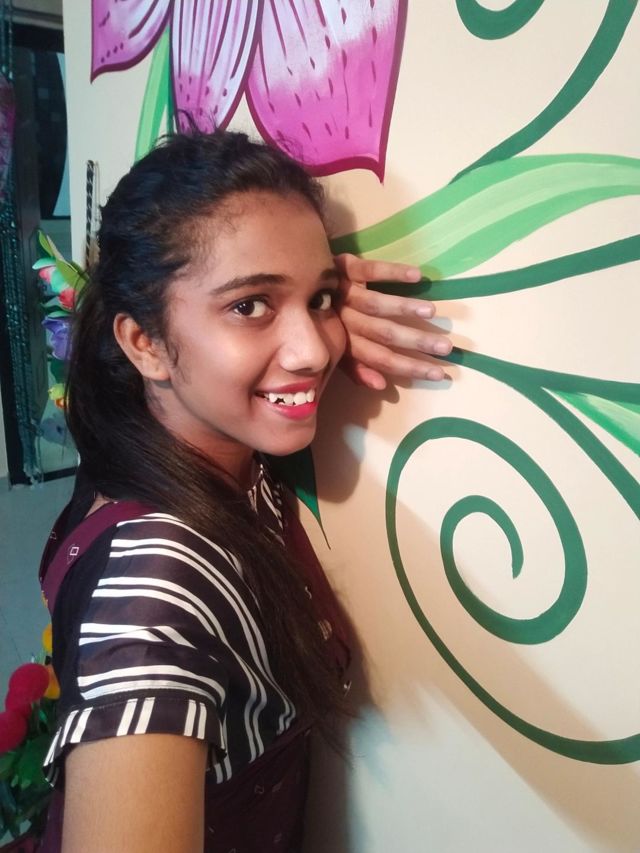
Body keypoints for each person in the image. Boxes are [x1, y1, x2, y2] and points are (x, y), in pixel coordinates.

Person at [40, 130, 451, 853]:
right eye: (250, 305)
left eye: (320, 299)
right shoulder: (155, 583)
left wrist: (315, 299)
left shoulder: (164, 440)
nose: (314, 349)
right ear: (143, 343)